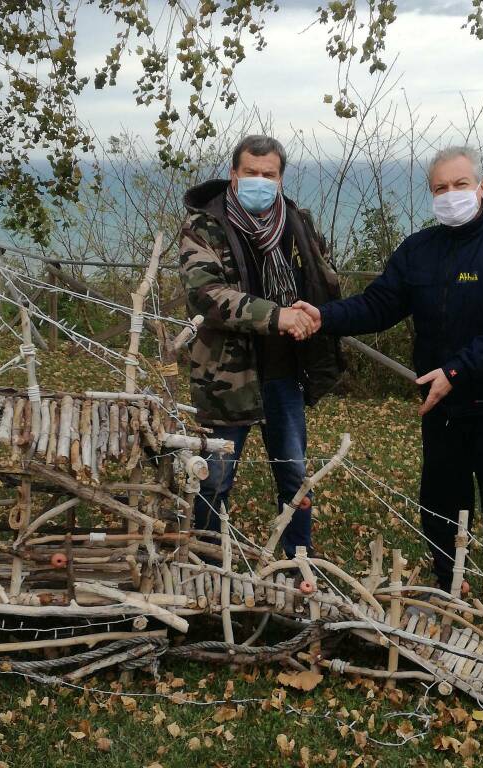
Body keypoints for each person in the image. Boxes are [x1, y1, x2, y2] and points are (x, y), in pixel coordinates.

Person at [292, 146, 483, 617]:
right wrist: (324, 316)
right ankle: (448, 589)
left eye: (459, 185)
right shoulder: (419, 250)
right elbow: (378, 305)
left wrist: (457, 371)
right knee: (438, 506)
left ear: (482, 187)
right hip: (442, 410)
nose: (450, 195)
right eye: (439, 188)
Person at [178, 134, 344, 557]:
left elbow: (322, 282)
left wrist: (317, 319)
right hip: (226, 375)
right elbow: (205, 295)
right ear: (233, 174)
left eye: (268, 174)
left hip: (286, 373)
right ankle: (208, 562)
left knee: (294, 474)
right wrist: (277, 315)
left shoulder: (297, 223)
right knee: (215, 476)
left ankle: (297, 561)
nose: (259, 180)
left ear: (281, 178)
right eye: (250, 172)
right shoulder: (204, 226)